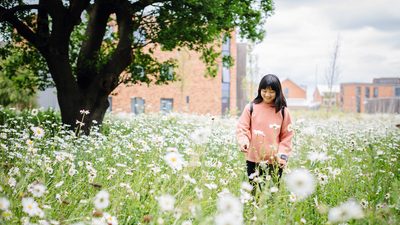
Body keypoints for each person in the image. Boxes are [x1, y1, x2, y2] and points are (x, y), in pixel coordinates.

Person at [236, 74, 294, 193]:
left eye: (271, 91)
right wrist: (244, 142)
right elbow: (243, 128)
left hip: (275, 161)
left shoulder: (283, 111)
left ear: (278, 92)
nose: (267, 94)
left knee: (272, 195)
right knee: (254, 194)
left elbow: (287, 136)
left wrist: (282, 157)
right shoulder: (251, 107)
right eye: (264, 90)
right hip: (253, 159)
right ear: (259, 90)